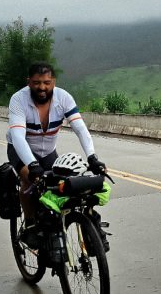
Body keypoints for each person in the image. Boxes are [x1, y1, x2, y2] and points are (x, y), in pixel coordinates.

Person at [7, 61, 108, 248]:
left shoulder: (64, 98)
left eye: (47, 82)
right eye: (37, 83)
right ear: (29, 82)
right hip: (21, 150)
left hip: (48, 151)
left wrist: (92, 156)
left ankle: (57, 224)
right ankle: (30, 223)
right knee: (28, 180)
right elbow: (18, 137)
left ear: (53, 81)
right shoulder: (18, 100)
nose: (42, 87)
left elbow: (80, 128)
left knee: (61, 185)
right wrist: (32, 165)